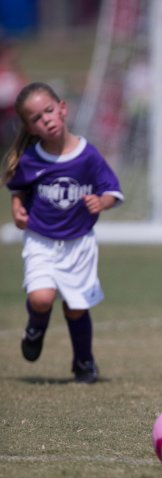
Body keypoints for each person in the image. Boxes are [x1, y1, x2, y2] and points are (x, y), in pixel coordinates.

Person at [1, 82, 124, 383]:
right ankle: (35, 327)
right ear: (29, 128)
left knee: (76, 307)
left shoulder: (88, 155)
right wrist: (17, 208)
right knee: (42, 298)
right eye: (36, 118)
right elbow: (18, 188)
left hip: (79, 244)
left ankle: (84, 362)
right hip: (41, 240)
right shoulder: (31, 159)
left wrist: (102, 202)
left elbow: (112, 191)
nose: (46, 120)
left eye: (49, 111)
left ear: (63, 109)